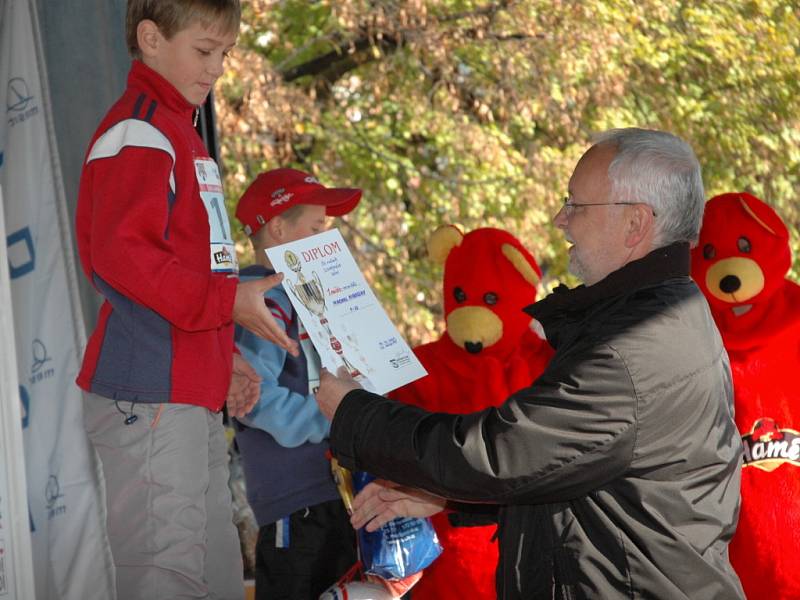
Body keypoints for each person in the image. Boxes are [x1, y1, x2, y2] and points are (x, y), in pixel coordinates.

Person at [316, 128, 746, 599]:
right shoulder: (656, 315)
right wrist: (444, 500)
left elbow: (501, 452)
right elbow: (581, 479)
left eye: (576, 204)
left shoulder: (634, 347)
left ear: (635, 223)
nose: (561, 219)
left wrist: (355, 414)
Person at [75, 2, 297, 599]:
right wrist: (228, 306)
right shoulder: (140, 129)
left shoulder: (181, 132)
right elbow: (125, 259)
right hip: (148, 391)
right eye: (205, 50)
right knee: (166, 577)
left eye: (226, 53)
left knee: (216, 572)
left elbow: (188, 271)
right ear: (150, 38)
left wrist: (220, 356)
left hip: (183, 389)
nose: (218, 68)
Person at [233, 168, 362, 600]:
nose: (328, 242)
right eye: (317, 229)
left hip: (333, 491)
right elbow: (254, 398)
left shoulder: (306, 295)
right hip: (293, 500)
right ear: (278, 228)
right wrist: (336, 417)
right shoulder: (258, 300)